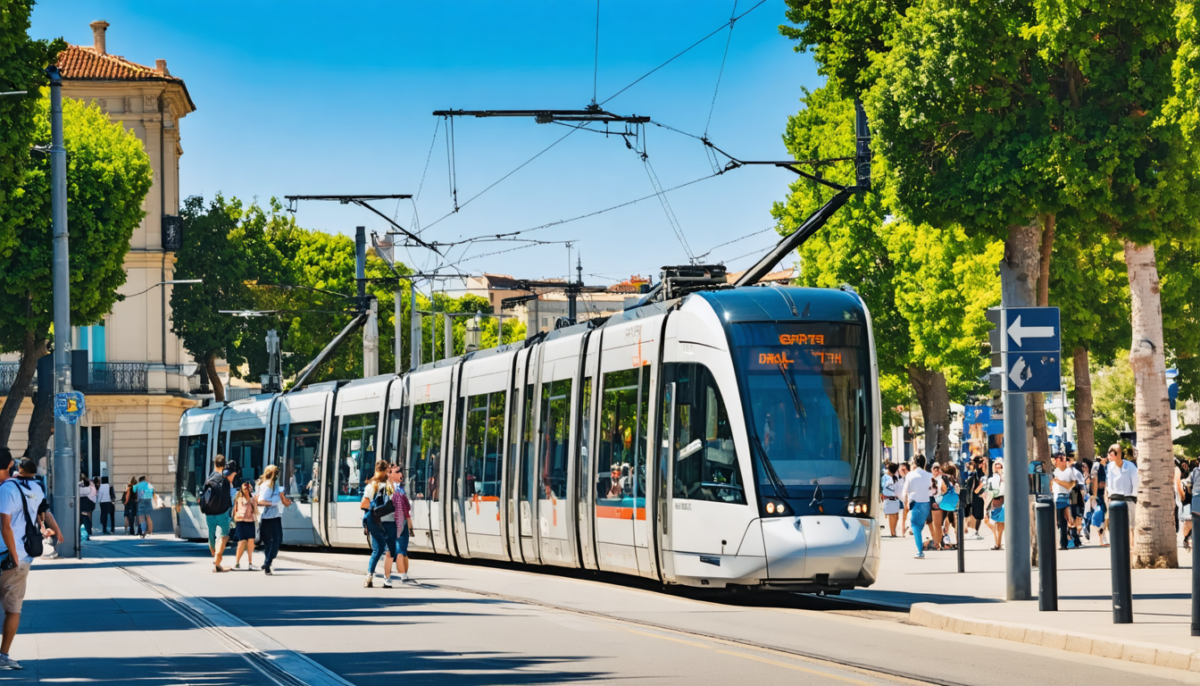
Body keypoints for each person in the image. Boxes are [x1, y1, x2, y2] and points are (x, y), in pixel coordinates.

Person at [0, 451, 63, 670]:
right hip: (19, 555)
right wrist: (55, 529)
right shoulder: (34, 488)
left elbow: (6, 524)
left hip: (12, 554)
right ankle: (3, 655)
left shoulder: (7, 489)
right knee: (13, 608)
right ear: (10, 464)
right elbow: (42, 512)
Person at [362, 460, 398, 588]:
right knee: (390, 550)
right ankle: (387, 579)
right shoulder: (389, 485)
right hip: (389, 520)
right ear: (386, 470)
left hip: (375, 521)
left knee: (378, 550)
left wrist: (366, 523)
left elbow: (365, 505)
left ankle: (369, 576)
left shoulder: (371, 485)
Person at [201, 455, 237, 573]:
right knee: (223, 535)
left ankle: (215, 557)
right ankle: (217, 559)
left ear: (214, 464)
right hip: (223, 511)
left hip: (210, 512)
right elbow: (230, 495)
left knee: (211, 535)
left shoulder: (209, 478)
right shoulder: (225, 478)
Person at [256, 465, 291, 575]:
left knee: (269, 542)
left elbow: (284, 503)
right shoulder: (266, 486)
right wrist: (273, 503)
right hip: (270, 518)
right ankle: (268, 562)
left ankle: (267, 562)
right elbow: (260, 501)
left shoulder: (276, 487)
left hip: (272, 517)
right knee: (274, 540)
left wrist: (285, 501)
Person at [902, 455, 933, 558]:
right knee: (919, 526)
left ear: (914, 463)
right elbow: (933, 491)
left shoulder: (910, 475)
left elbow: (905, 491)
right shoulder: (929, 475)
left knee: (915, 525)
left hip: (914, 502)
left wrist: (905, 502)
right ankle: (919, 546)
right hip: (926, 503)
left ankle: (919, 550)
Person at [1052, 454, 1083, 550]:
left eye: (1055, 460)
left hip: (1064, 497)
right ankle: (1071, 541)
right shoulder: (1055, 471)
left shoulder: (1070, 471)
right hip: (1056, 497)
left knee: (1063, 521)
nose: (1054, 463)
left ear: (1060, 460)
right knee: (1064, 521)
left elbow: (1071, 485)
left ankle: (1065, 543)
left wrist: (1058, 481)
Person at [1105, 444, 1138, 532]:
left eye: (1111, 455)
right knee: (1115, 526)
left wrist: (1134, 498)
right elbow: (1110, 483)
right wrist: (1110, 496)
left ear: (1118, 454)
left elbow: (1136, 483)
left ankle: (1132, 545)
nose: (1109, 457)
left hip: (1129, 500)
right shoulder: (1110, 467)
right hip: (1115, 500)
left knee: (1131, 526)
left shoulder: (1130, 466)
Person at [390, 465, 414, 583]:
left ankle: (401, 573)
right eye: (397, 472)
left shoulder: (397, 488)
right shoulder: (396, 490)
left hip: (394, 522)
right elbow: (406, 508)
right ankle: (403, 574)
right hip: (399, 522)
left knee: (400, 548)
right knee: (401, 548)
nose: (401, 474)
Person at [232, 480, 258, 570]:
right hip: (241, 521)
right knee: (242, 542)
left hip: (250, 521)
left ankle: (250, 563)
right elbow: (235, 510)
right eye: (245, 486)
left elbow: (256, 508)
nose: (247, 488)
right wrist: (235, 518)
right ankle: (237, 562)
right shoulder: (238, 498)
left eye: (248, 487)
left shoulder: (253, 498)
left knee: (251, 542)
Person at [986, 459, 1005, 551]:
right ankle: (997, 542)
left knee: (1001, 524)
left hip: (1003, 500)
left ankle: (998, 543)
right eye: (996, 465)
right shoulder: (991, 478)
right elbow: (990, 492)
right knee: (993, 522)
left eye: (1000, 466)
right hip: (995, 501)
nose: (998, 467)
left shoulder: (1005, 477)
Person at [939, 463, 960, 548]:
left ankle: (942, 541)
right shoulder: (955, 479)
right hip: (955, 502)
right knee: (955, 522)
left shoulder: (944, 478)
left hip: (945, 502)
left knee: (942, 521)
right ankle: (958, 542)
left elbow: (943, 490)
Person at [965, 458, 986, 540]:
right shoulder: (974, 473)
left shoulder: (981, 473)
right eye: (980, 462)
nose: (982, 464)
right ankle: (971, 532)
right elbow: (971, 486)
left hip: (980, 497)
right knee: (973, 514)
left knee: (980, 515)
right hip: (973, 496)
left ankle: (976, 532)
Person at [881, 463, 902, 537]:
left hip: (894, 499)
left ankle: (894, 531)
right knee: (892, 515)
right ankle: (893, 532)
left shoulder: (894, 478)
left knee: (895, 515)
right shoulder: (887, 477)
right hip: (890, 499)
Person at [896, 462, 910, 536]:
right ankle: (902, 531)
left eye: (904, 470)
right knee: (902, 514)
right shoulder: (897, 479)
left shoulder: (909, 478)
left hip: (908, 499)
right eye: (901, 469)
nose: (902, 471)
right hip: (900, 500)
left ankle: (903, 530)